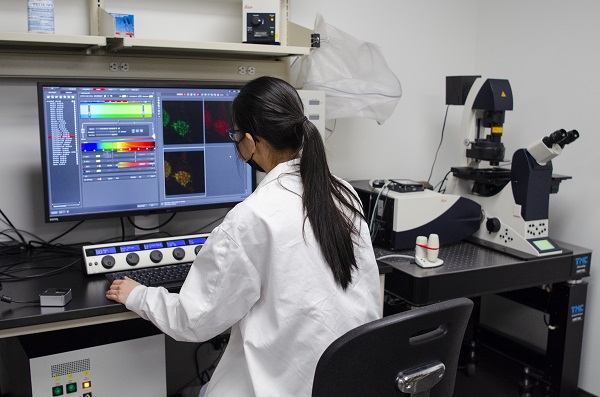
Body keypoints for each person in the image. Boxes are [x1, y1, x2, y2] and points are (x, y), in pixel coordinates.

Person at [106, 76, 382, 397]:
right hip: (350, 379)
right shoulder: (342, 192)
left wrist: (137, 295)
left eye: (235, 136)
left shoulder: (252, 217)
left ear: (251, 142)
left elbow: (194, 320)